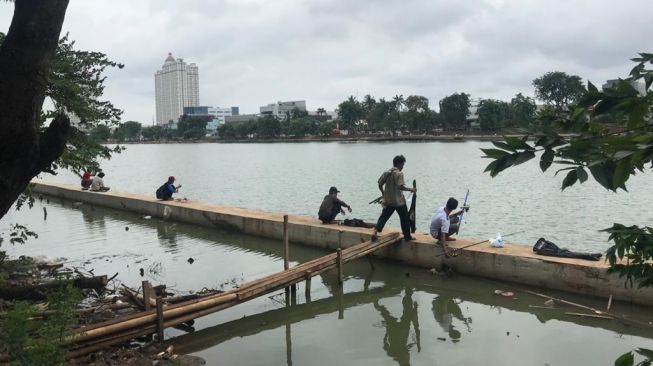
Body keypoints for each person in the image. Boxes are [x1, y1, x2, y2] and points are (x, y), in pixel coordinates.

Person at [371, 155, 416, 242]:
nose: (403, 166)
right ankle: (407, 236)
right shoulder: (399, 173)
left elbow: (380, 184)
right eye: (403, 164)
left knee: (383, 217)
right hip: (399, 202)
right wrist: (411, 189)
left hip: (388, 201)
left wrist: (384, 194)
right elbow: (400, 187)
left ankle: (375, 231)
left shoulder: (387, 172)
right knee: (404, 219)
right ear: (399, 164)